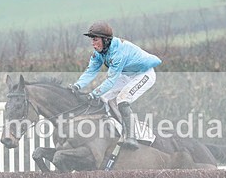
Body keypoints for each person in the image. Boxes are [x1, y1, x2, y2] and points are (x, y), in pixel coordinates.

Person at [69, 21, 161, 150]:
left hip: (144, 75)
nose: (93, 44)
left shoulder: (118, 53)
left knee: (123, 100)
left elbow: (110, 81)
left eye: (95, 40)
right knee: (105, 98)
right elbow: (90, 71)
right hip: (127, 75)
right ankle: (119, 129)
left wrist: (92, 95)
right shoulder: (99, 53)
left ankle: (131, 137)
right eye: (92, 40)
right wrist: (77, 86)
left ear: (106, 40)